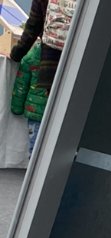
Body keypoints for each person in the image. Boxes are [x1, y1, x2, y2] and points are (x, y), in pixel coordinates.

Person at [8, 0, 75, 149]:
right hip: (79, 65)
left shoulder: (32, 58)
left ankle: (36, 165)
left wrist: (16, 54)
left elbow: (32, 28)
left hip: (48, 65)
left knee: (41, 129)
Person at [10, 42, 47, 157]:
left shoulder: (31, 56)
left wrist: (16, 108)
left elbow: (21, 85)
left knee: (35, 146)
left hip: (34, 111)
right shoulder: (67, 54)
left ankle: (33, 171)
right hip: (57, 111)